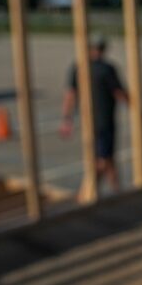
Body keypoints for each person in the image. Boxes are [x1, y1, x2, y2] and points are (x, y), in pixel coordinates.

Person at [59, 33, 129, 198]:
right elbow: (119, 93)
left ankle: (117, 191)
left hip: (89, 122)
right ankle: (86, 194)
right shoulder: (106, 69)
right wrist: (137, 111)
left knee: (108, 157)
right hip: (104, 122)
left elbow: (70, 95)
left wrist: (66, 119)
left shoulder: (78, 67)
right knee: (103, 160)